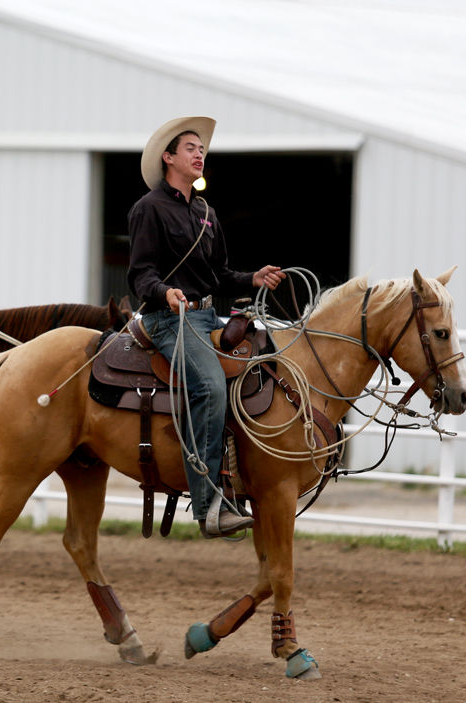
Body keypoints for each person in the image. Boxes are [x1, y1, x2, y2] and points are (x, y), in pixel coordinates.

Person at [127, 116, 286, 538]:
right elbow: (140, 275)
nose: (200, 154)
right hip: (168, 319)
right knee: (211, 387)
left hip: (207, 315)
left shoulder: (205, 213)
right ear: (169, 157)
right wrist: (165, 294)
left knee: (265, 367)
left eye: (202, 149)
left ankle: (249, 478)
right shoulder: (148, 209)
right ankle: (209, 503)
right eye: (191, 148)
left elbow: (219, 275)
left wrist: (252, 278)